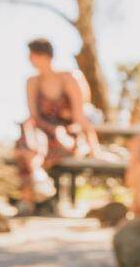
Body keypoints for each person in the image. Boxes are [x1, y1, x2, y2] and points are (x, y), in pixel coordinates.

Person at [13, 38, 102, 212]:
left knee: (28, 148)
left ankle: (30, 196)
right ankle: (37, 181)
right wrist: (45, 128)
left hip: (66, 135)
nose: (29, 59)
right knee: (27, 140)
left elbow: (79, 115)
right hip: (41, 134)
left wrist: (94, 147)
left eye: (32, 55)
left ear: (43, 55)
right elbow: (34, 116)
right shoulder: (32, 82)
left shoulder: (69, 78)